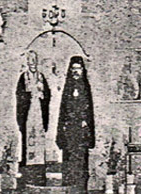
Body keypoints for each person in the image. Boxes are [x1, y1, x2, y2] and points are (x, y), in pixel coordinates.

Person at [56, 56, 95, 193]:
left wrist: (84, 120)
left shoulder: (85, 87)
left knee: (81, 161)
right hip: (69, 129)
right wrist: (65, 125)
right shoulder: (68, 88)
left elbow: (88, 109)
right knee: (69, 159)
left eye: (78, 68)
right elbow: (63, 109)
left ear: (83, 70)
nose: (76, 71)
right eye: (73, 69)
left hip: (82, 130)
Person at [16, 50, 51, 166]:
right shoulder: (24, 77)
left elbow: (47, 93)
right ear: (27, 62)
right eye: (30, 60)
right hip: (29, 108)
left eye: (34, 60)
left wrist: (43, 95)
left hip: (39, 109)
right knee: (28, 133)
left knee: (39, 132)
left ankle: (40, 160)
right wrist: (27, 96)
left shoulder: (41, 76)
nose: (32, 63)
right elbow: (19, 94)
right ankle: (28, 160)